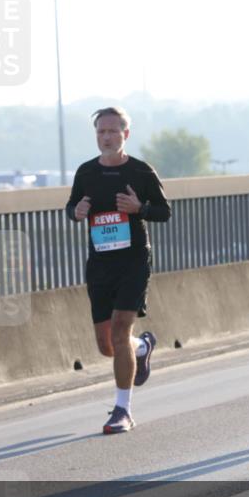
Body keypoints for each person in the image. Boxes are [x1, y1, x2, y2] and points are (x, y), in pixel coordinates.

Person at [66, 107, 170, 434]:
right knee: (107, 345)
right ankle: (142, 347)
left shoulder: (141, 172)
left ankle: (122, 410)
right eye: (101, 131)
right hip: (100, 263)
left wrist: (140, 208)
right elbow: (71, 206)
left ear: (126, 134)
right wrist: (76, 212)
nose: (107, 137)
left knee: (121, 328)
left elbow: (164, 212)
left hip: (133, 261)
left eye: (113, 131)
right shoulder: (86, 172)